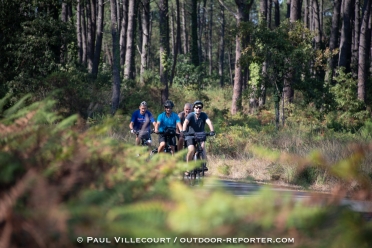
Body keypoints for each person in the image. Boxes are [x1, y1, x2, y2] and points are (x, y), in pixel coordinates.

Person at [182, 100, 215, 168]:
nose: (198, 109)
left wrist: (212, 131)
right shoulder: (191, 115)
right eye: (196, 107)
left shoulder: (203, 115)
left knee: (202, 148)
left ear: (201, 109)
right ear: (194, 108)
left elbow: (209, 122)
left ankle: (203, 164)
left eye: (200, 108)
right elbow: (185, 122)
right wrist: (184, 131)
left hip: (200, 135)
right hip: (190, 135)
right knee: (191, 149)